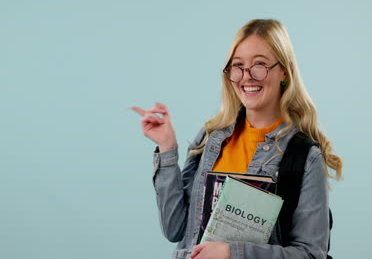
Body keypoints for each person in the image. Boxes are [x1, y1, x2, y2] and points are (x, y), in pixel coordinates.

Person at [131, 19, 342, 259]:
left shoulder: (305, 156)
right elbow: (175, 229)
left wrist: (233, 253)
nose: (247, 77)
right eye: (238, 66)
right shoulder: (211, 137)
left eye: (260, 64)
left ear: (285, 70)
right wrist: (167, 147)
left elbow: (310, 254)